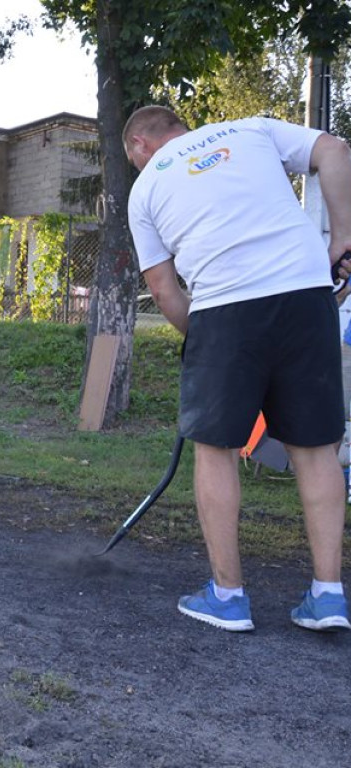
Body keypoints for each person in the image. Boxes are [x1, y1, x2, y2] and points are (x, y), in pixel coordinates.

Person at [124, 105, 351, 632]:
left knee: (216, 448)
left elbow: (163, 289)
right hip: (304, 292)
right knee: (315, 448)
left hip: (225, 307)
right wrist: (342, 238)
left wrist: (200, 336)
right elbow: (336, 151)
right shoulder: (252, 129)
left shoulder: (145, 188)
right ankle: (329, 595)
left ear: (139, 145)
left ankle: (228, 597)